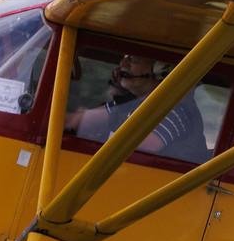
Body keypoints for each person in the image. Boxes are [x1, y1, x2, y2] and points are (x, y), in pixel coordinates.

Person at [66, 54, 208, 161]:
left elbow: (142, 145)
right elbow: (78, 121)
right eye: (124, 58)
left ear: (160, 71)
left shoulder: (174, 109)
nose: (122, 64)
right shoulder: (130, 103)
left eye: (133, 60)